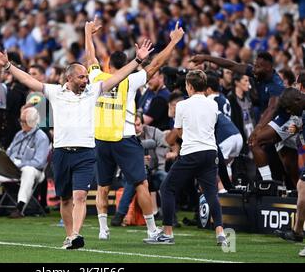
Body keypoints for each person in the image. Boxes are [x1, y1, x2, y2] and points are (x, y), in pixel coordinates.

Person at [0, 32, 153, 250]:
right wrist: (8, 66)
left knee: (80, 196)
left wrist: (138, 60)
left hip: (85, 152)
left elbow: (118, 77)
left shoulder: (94, 90)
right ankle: (70, 236)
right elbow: (29, 80)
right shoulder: (56, 92)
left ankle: (76, 234)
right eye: (82, 77)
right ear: (70, 78)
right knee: (65, 199)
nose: (87, 80)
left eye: (86, 76)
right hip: (61, 153)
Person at [85, 17, 184, 241]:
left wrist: (88, 33)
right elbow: (156, 65)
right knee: (141, 183)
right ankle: (151, 230)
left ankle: (102, 229)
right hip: (124, 137)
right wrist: (173, 42)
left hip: (100, 138)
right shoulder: (129, 81)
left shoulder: (96, 77)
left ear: (108, 64)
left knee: (103, 185)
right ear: (126, 64)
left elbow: (90, 56)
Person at [191, 52, 299, 187]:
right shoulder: (257, 73)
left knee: (257, 142)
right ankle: (293, 192)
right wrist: (206, 57)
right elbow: (232, 65)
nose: (254, 69)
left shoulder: (275, 84)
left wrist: (258, 128)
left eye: (258, 66)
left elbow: (272, 108)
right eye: (254, 65)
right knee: (289, 166)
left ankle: (267, 184)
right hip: (278, 120)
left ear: (268, 67)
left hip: (288, 119)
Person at [149, 70, 228, 246]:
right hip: (210, 152)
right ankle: (220, 233)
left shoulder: (182, 105)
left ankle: (167, 233)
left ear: (190, 86)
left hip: (192, 152)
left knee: (167, 188)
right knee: (211, 193)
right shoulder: (213, 104)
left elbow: (178, 131)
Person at [111, 113, 170, 226]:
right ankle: (120, 215)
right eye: (133, 125)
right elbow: (120, 159)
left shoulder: (153, 132)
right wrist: (137, 161)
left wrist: (152, 159)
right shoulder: (124, 137)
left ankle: (170, 216)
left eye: (138, 125)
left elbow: (164, 146)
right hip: (129, 174)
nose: (136, 128)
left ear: (143, 124)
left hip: (153, 172)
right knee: (133, 181)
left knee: (166, 179)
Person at [273, 87, 305, 257]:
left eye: (291, 109)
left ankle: (298, 232)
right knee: (301, 190)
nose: (290, 113)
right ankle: (298, 232)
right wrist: (299, 130)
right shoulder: (302, 112)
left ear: (297, 101)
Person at [6, 107, 50, 218]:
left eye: (24, 121)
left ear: (32, 122)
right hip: (13, 168)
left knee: (28, 171)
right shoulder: (19, 135)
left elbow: (39, 162)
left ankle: (20, 206)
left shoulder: (41, 137)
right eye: (20, 120)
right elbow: (8, 152)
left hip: (36, 172)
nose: (21, 123)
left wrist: (20, 164)